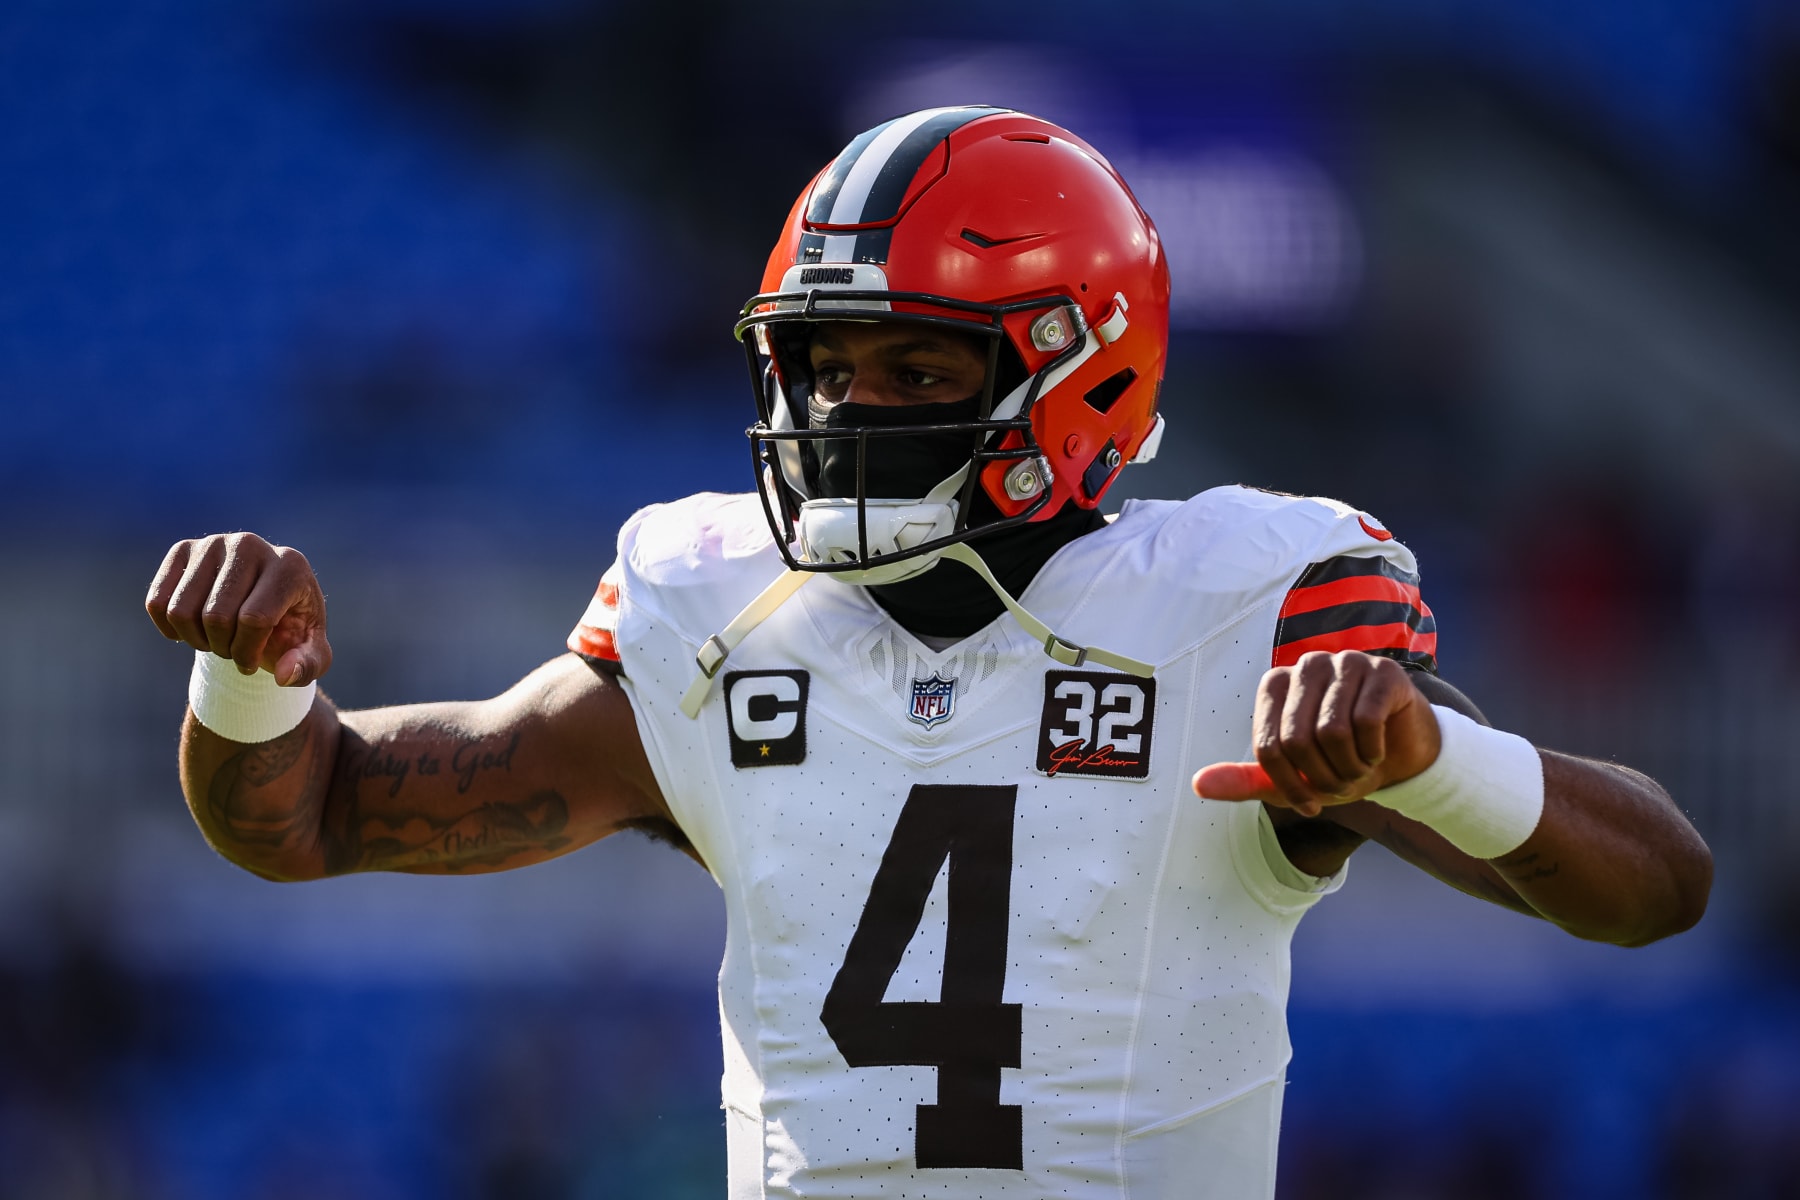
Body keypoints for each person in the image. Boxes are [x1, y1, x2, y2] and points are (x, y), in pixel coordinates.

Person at [144, 106, 1712, 1199]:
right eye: (822, 365)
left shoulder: (1243, 605)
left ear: (1082, 373)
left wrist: (1437, 765)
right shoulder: (715, 606)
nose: (845, 414)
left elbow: (1659, 887)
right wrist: (253, 678)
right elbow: (318, 814)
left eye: (914, 363)